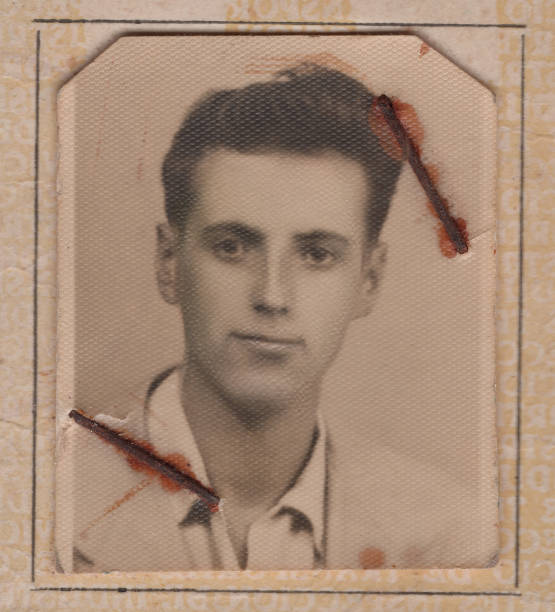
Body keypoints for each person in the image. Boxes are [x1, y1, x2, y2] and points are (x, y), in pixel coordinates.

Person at [58, 63, 492, 573]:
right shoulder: (44, 503)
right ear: (168, 262)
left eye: (316, 254)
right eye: (232, 246)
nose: (272, 295)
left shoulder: (451, 538)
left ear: (368, 280)